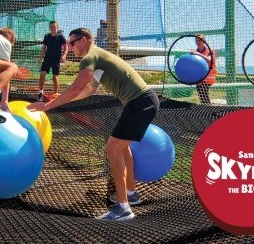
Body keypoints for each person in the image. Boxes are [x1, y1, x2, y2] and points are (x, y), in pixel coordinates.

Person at [29, 28, 159, 221]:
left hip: (140, 102)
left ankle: (123, 209)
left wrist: (48, 105)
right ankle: (131, 195)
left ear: (84, 40)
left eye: (71, 43)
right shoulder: (98, 57)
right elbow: (88, 90)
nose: (69, 48)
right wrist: (63, 100)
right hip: (143, 101)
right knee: (123, 149)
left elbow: (76, 88)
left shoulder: (90, 56)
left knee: (112, 148)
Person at [37, 21, 67, 100]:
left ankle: (55, 95)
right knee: (42, 74)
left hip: (56, 59)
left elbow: (66, 47)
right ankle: (40, 93)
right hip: (47, 58)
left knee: (55, 76)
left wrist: (64, 55)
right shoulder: (46, 36)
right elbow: (44, 47)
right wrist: (41, 57)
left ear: (57, 27)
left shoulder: (61, 37)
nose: (52, 28)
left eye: (54, 27)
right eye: (51, 27)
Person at [191, 34, 216, 105]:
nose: (197, 42)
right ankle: (205, 108)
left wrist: (197, 54)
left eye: (199, 40)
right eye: (196, 41)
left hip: (208, 77)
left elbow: (209, 60)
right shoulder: (195, 52)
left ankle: (208, 109)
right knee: (201, 94)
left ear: (204, 41)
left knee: (203, 93)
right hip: (200, 76)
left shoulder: (211, 51)